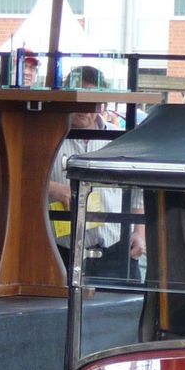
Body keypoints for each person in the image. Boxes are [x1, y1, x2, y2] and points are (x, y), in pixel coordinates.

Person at [48, 66, 145, 279]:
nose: (82, 108)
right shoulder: (46, 139)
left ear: (103, 103)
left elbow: (137, 191)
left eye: (90, 100)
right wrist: (53, 189)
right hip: (60, 253)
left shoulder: (120, 140)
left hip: (115, 252)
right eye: (77, 99)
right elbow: (24, 179)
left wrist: (139, 233)